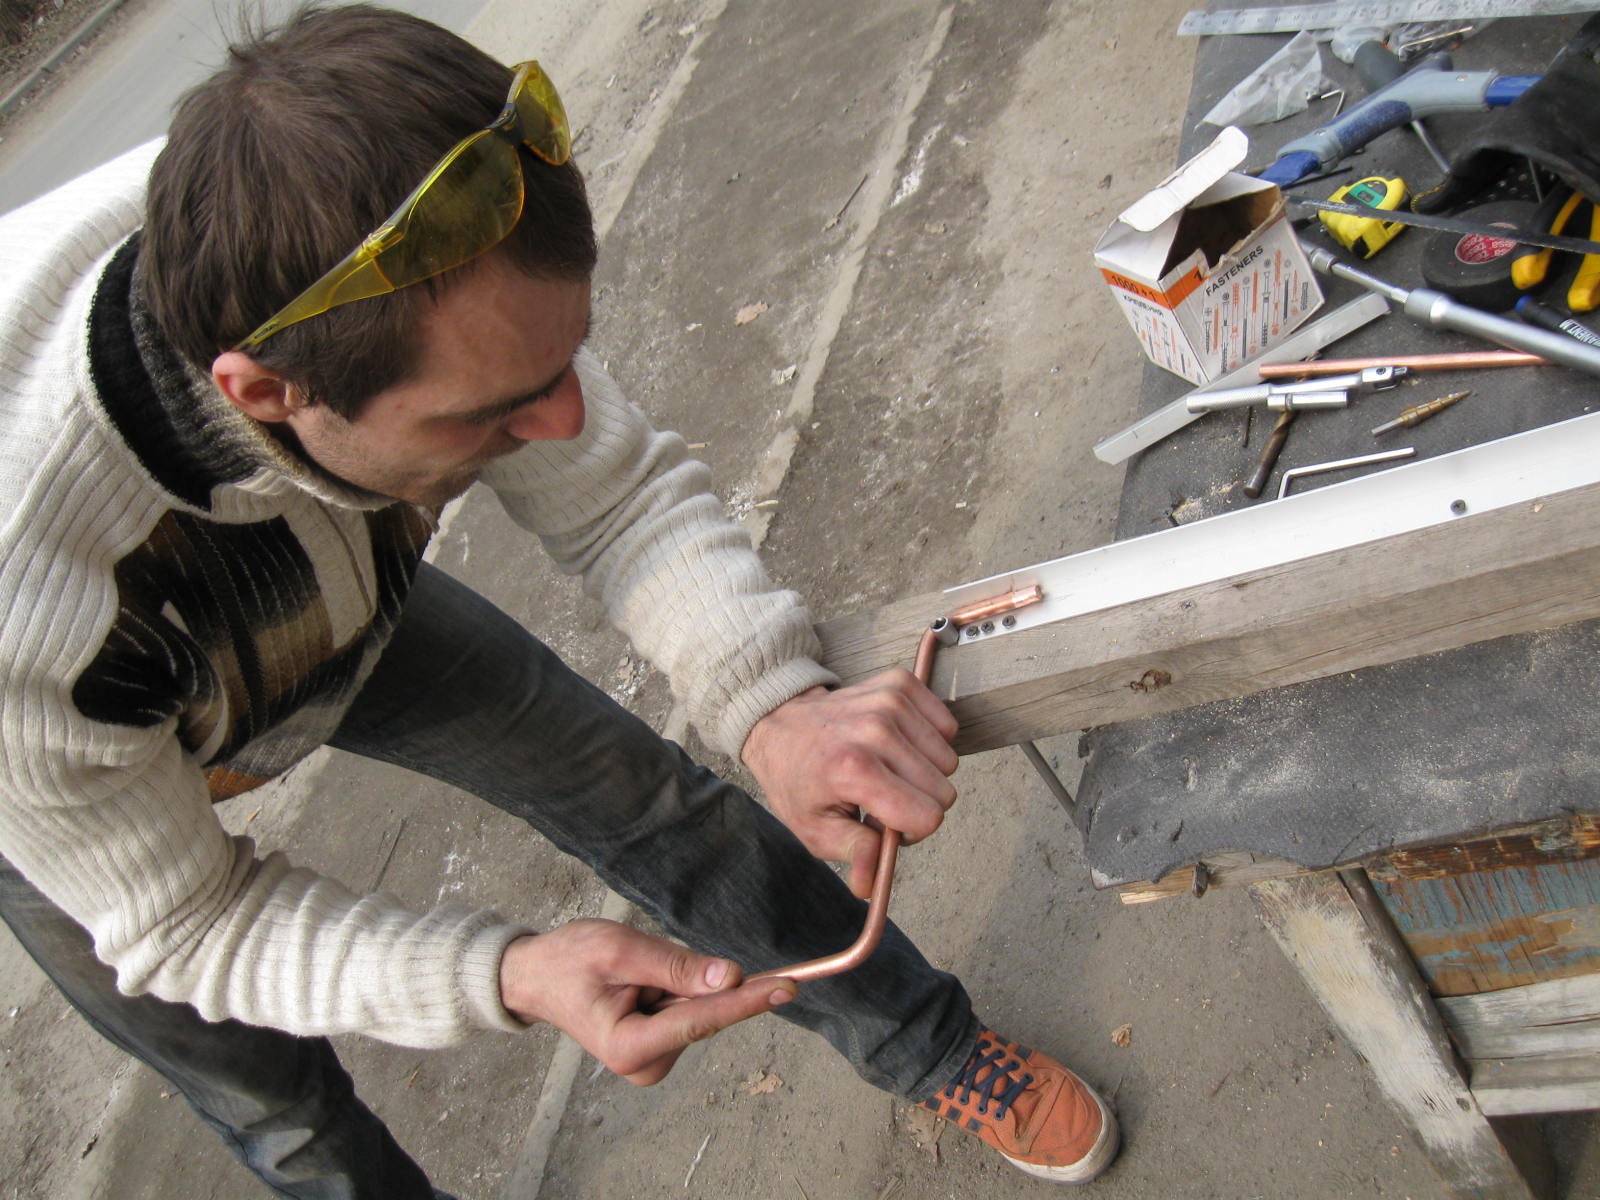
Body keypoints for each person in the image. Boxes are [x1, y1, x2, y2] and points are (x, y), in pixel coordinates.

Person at [0, 4, 1118, 1194]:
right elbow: (189, 924)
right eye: (494, 412)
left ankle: (927, 1042)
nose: (568, 419)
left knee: (629, 786)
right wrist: (507, 974)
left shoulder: (345, 229)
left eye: (564, 358)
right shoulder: (29, 617)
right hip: (54, 753)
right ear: (269, 393)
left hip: (319, 571)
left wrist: (772, 702)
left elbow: (618, 493)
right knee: (272, 1101)